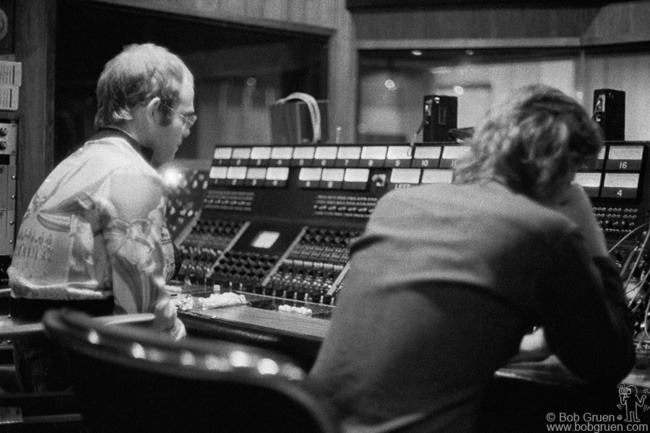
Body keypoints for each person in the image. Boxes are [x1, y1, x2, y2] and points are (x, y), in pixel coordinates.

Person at [307, 84, 635, 433]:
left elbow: (428, 347)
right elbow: (609, 364)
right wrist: (593, 239)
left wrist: (527, 347)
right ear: (565, 168)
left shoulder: (395, 205)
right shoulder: (546, 232)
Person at [8, 43, 196, 392]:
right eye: (186, 117)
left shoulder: (74, 166)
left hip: (41, 373)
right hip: (85, 384)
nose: (187, 130)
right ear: (156, 111)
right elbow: (144, 318)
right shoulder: (131, 175)